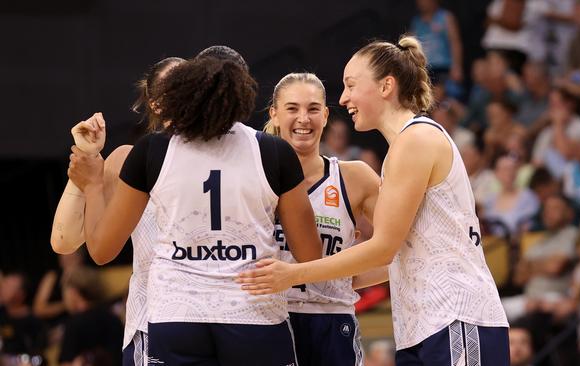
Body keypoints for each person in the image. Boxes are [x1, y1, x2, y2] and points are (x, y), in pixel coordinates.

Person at [238, 35, 509, 365]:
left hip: (455, 313)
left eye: (351, 85)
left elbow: (383, 247)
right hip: (421, 324)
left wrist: (294, 275)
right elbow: (392, 254)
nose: (344, 97)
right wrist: (328, 278)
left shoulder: (417, 139)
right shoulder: (402, 147)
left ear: (386, 86)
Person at [67, 56, 322, 365]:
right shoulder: (272, 150)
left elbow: (101, 251)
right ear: (241, 97)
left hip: (177, 315)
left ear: (181, 95)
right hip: (253, 313)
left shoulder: (152, 150)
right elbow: (309, 255)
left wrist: (94, 187)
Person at [51, 56, 183, 366]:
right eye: (175, 87)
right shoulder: (130, 158)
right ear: (156, 103)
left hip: (219, 320)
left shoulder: (232, 155)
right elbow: (64, 241)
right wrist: (86, 165)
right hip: (154, 324)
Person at [263, 72, 382, 365]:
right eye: (292, 108)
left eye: (313, 109)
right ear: (274, 114)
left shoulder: (356, 177)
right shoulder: (252, 179)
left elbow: (404, 249)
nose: (304, 118)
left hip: (331, 322)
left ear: (326, 116)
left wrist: (342, 275)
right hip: (267, 320)